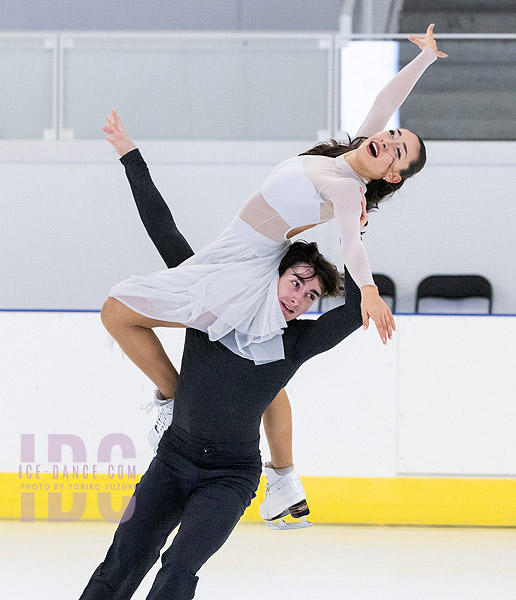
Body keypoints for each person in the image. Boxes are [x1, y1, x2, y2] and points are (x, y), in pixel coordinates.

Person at [102, 27, 447, 410]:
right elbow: (386, 100)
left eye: (396, 152)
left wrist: (367, 289)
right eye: (394, 134)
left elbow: (351, 241)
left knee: (118, 310)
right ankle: (176, 403)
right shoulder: (349, 153)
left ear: (392, 174)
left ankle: (172, 407)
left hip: (247, 264)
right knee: (122, 311)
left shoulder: (349, 189)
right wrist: (425, 57)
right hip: (232, 246)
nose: (388, 140)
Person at [79, 148, 365, 600]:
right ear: (276, 272)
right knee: (123, 559)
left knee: (179, 567)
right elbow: (163, 229)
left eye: (311, 295)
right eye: (297, 283)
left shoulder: (296, 342)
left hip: (230, 478)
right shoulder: (210, 300)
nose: (300, 299)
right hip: (172, 461)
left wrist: (355, 226)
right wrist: (131, 158)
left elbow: (355, 311)